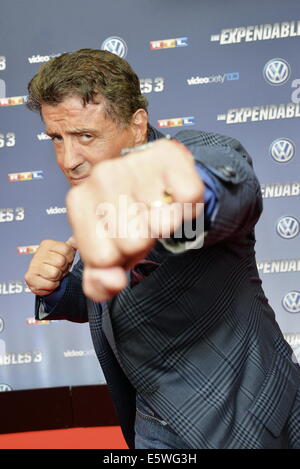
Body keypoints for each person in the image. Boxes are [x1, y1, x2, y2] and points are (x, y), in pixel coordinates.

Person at [25, 48, 300, 449]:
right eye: (57, 138)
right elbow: (115, 291)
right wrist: (57, 286)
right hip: (150, 424)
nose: (69, 160)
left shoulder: (189, 156)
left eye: (85, 136)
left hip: (246, 421)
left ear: (137, 126)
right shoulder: (103, 194)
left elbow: (228, 184)